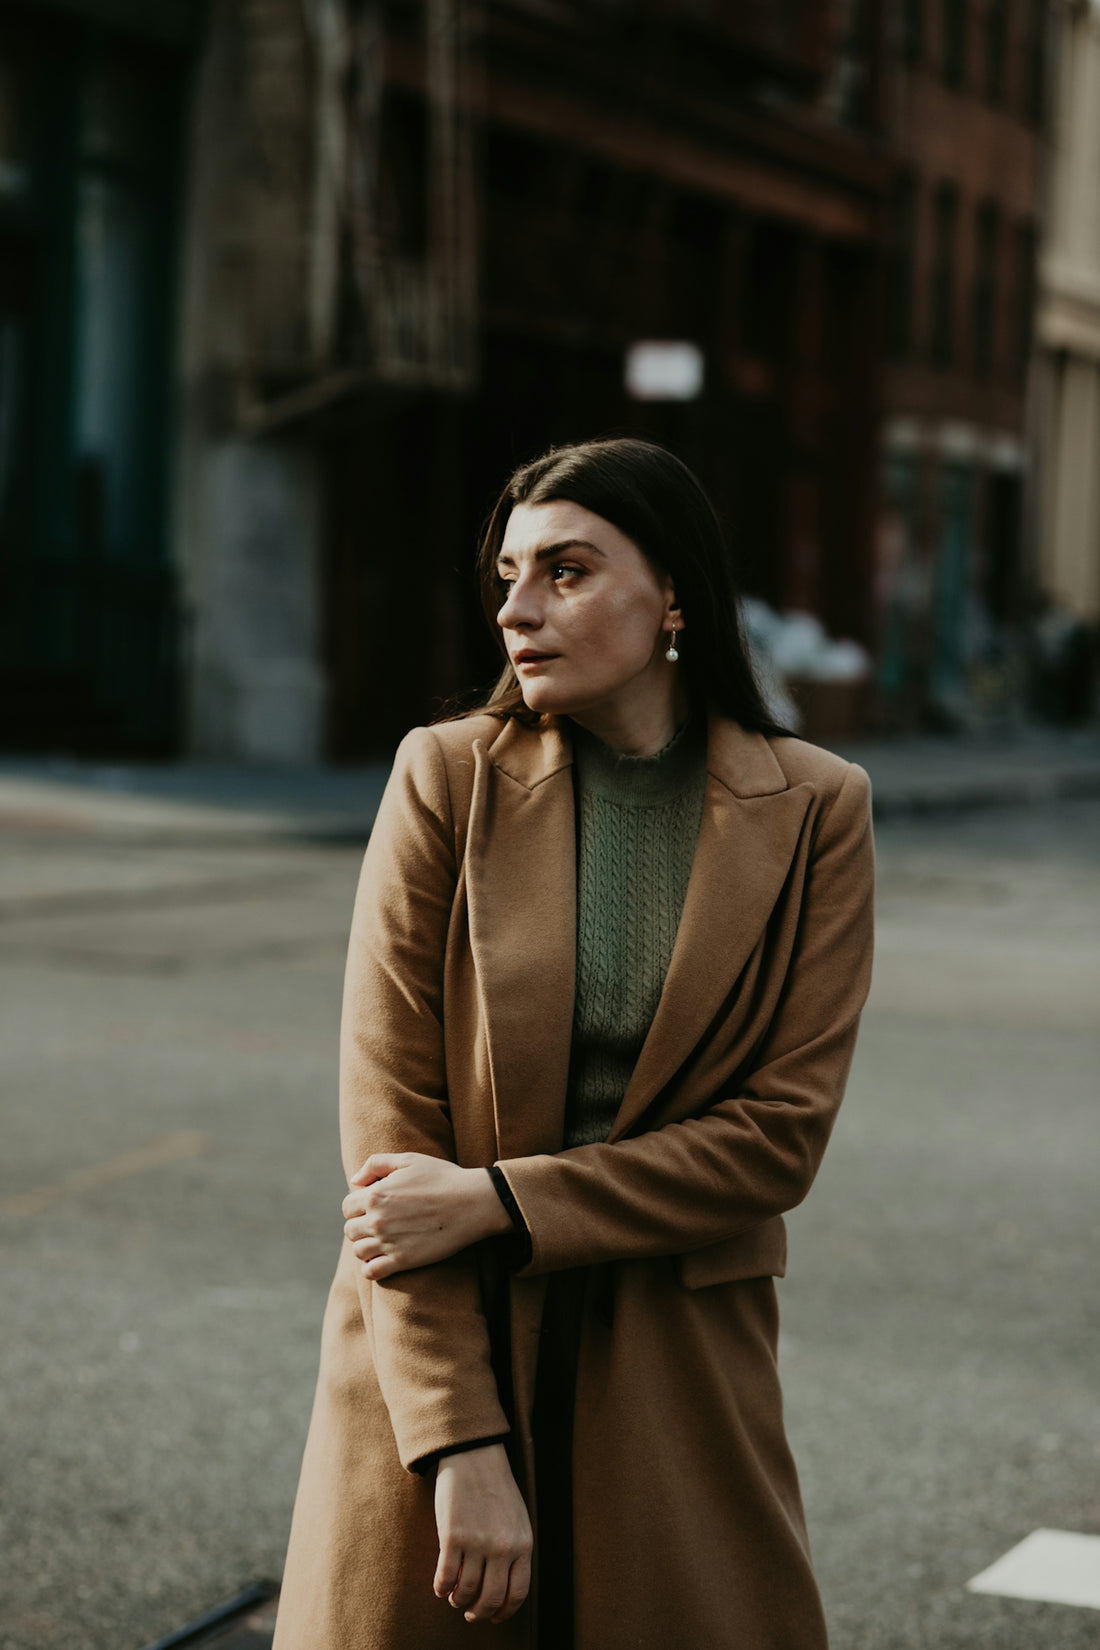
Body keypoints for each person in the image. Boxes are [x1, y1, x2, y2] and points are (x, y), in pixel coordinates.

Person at [272, 437, 875, 1650]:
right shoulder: (445, 777)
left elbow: (775, 1144)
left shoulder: (815, 807)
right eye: (508, 575)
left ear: (673, 597)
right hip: (441, 1357)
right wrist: (458, 1446)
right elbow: (393, 1169)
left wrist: (500, 1199)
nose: (515, 609)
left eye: (565, 570)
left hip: (675, 1370)